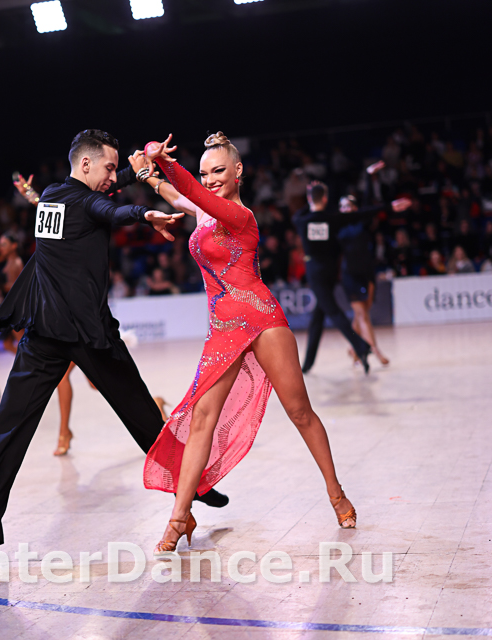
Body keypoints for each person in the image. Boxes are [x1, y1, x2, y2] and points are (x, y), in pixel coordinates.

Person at [0, 130, 228, 571]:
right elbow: (109, 209)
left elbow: (101, 195)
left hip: (44, 330)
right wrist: (144, 213)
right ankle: (195, 485)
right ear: (86, 164)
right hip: (87, 335)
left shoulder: (52, 196)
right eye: (108, 168)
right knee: (143, 418)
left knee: (9, 430)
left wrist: (133, 169)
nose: (113, 176)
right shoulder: (87, 202)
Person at [141, 133, 357, 556]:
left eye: (218, 171)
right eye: (205, 173)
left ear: (238, 171)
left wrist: (163, 163)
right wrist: (147, 174)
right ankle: (179, 517)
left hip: (261, 321)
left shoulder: (240, 216)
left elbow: (189, 191)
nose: (211, 179)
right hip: (223, 330)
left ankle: (336, 493)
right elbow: (178, 195)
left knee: (299, 412)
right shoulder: (205, 213)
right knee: (202, 419)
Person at [12, 173, 168, 456]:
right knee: (97, 384)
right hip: (62, 313)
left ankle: (65, 432)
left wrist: (139, 196)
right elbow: (50, 207)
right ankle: (153, 406)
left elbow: (106, 201)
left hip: (81, 315)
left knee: (71, 380)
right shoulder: (61, 206)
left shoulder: (88, 203)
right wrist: (31, 195)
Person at [294, 181, 410, 374]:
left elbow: (301, 212)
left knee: (333, 312)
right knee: (318, 317)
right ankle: (307, 364)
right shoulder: (333, 218)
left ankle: (361, 346)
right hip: (331, 272)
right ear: (325, 199)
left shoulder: (301, 221)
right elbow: (362, 213)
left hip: (315, 273)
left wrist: (310, 199)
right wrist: (389, 206)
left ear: (309, 199)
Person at [337, 161, 393, 366]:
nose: (346, 209)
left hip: (367, 273)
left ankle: (353, 348)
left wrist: (369, 176)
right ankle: (374, 352)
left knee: (362, 314)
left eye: (349, 205)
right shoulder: (337, 227)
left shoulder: (363, 222)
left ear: (355, 208)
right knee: (362, 316)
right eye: (342, 206)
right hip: (349, 275)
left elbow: (369, 203)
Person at [0, 232, 24, 354]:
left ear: (14, 245)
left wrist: (1, 286)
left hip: (15, 309)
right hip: (10, 308)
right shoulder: (8, 262)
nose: (1, 248)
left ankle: (28, 362)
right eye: (0, 245)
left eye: (4, 244)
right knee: (7, 344)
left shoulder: (15, 263)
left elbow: (20, 286)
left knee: (22, 342)